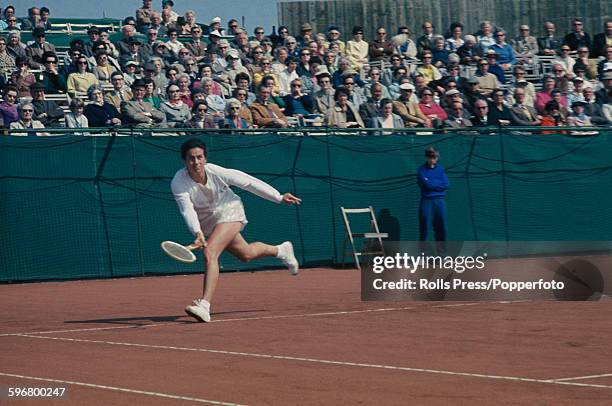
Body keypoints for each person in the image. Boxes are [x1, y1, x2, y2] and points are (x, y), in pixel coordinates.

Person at [171, 139, 301, 322]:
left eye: (199, 157)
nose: (196, 162)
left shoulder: (217, 172)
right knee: (246, 254)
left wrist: (278, 197)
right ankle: (281, 250)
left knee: (210, 252)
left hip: (230, 210)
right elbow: (187, 209)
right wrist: (197, 232)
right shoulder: (179, 181)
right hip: (208, 222)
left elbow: (248, 182)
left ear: (205, 159)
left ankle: (204, 305)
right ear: (185, 161)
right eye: (191, 158)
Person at [417, 147, 449, 242]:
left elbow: (446, 184)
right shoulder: (421, 170)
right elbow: (427, 185)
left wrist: (432, 183)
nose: (433, 159)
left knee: (441, 229)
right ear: (426, 157)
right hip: (427, 202)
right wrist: (437, 183)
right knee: (425, 229)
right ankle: (423, 255)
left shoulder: (440, 169)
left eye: (435, 157)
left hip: (440, 202)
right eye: (430, 157)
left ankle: (442, 255)